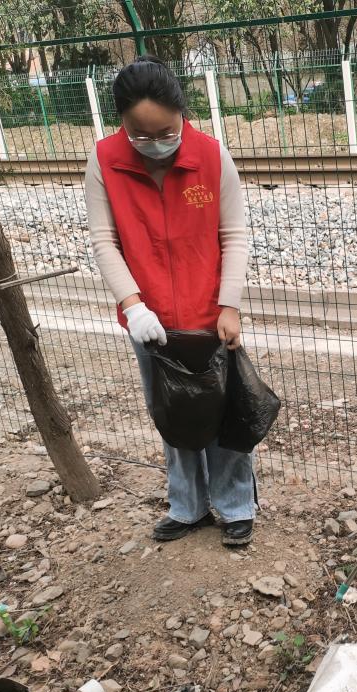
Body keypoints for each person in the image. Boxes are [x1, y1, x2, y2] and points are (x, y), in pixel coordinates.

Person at [84, 55, 256, 547]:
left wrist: (229, 304)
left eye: (166, 132)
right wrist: (133, 306)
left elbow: (234, 234)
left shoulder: (212, 156)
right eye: (141, 135)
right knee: (173, 414)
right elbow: (104, 241)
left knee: (224, 413)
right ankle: (187, 507)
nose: (156, 143)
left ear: (182, 113)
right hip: (150, 324)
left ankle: (236, 506)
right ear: (122, 122)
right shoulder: (104, 161)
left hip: (209, 317)